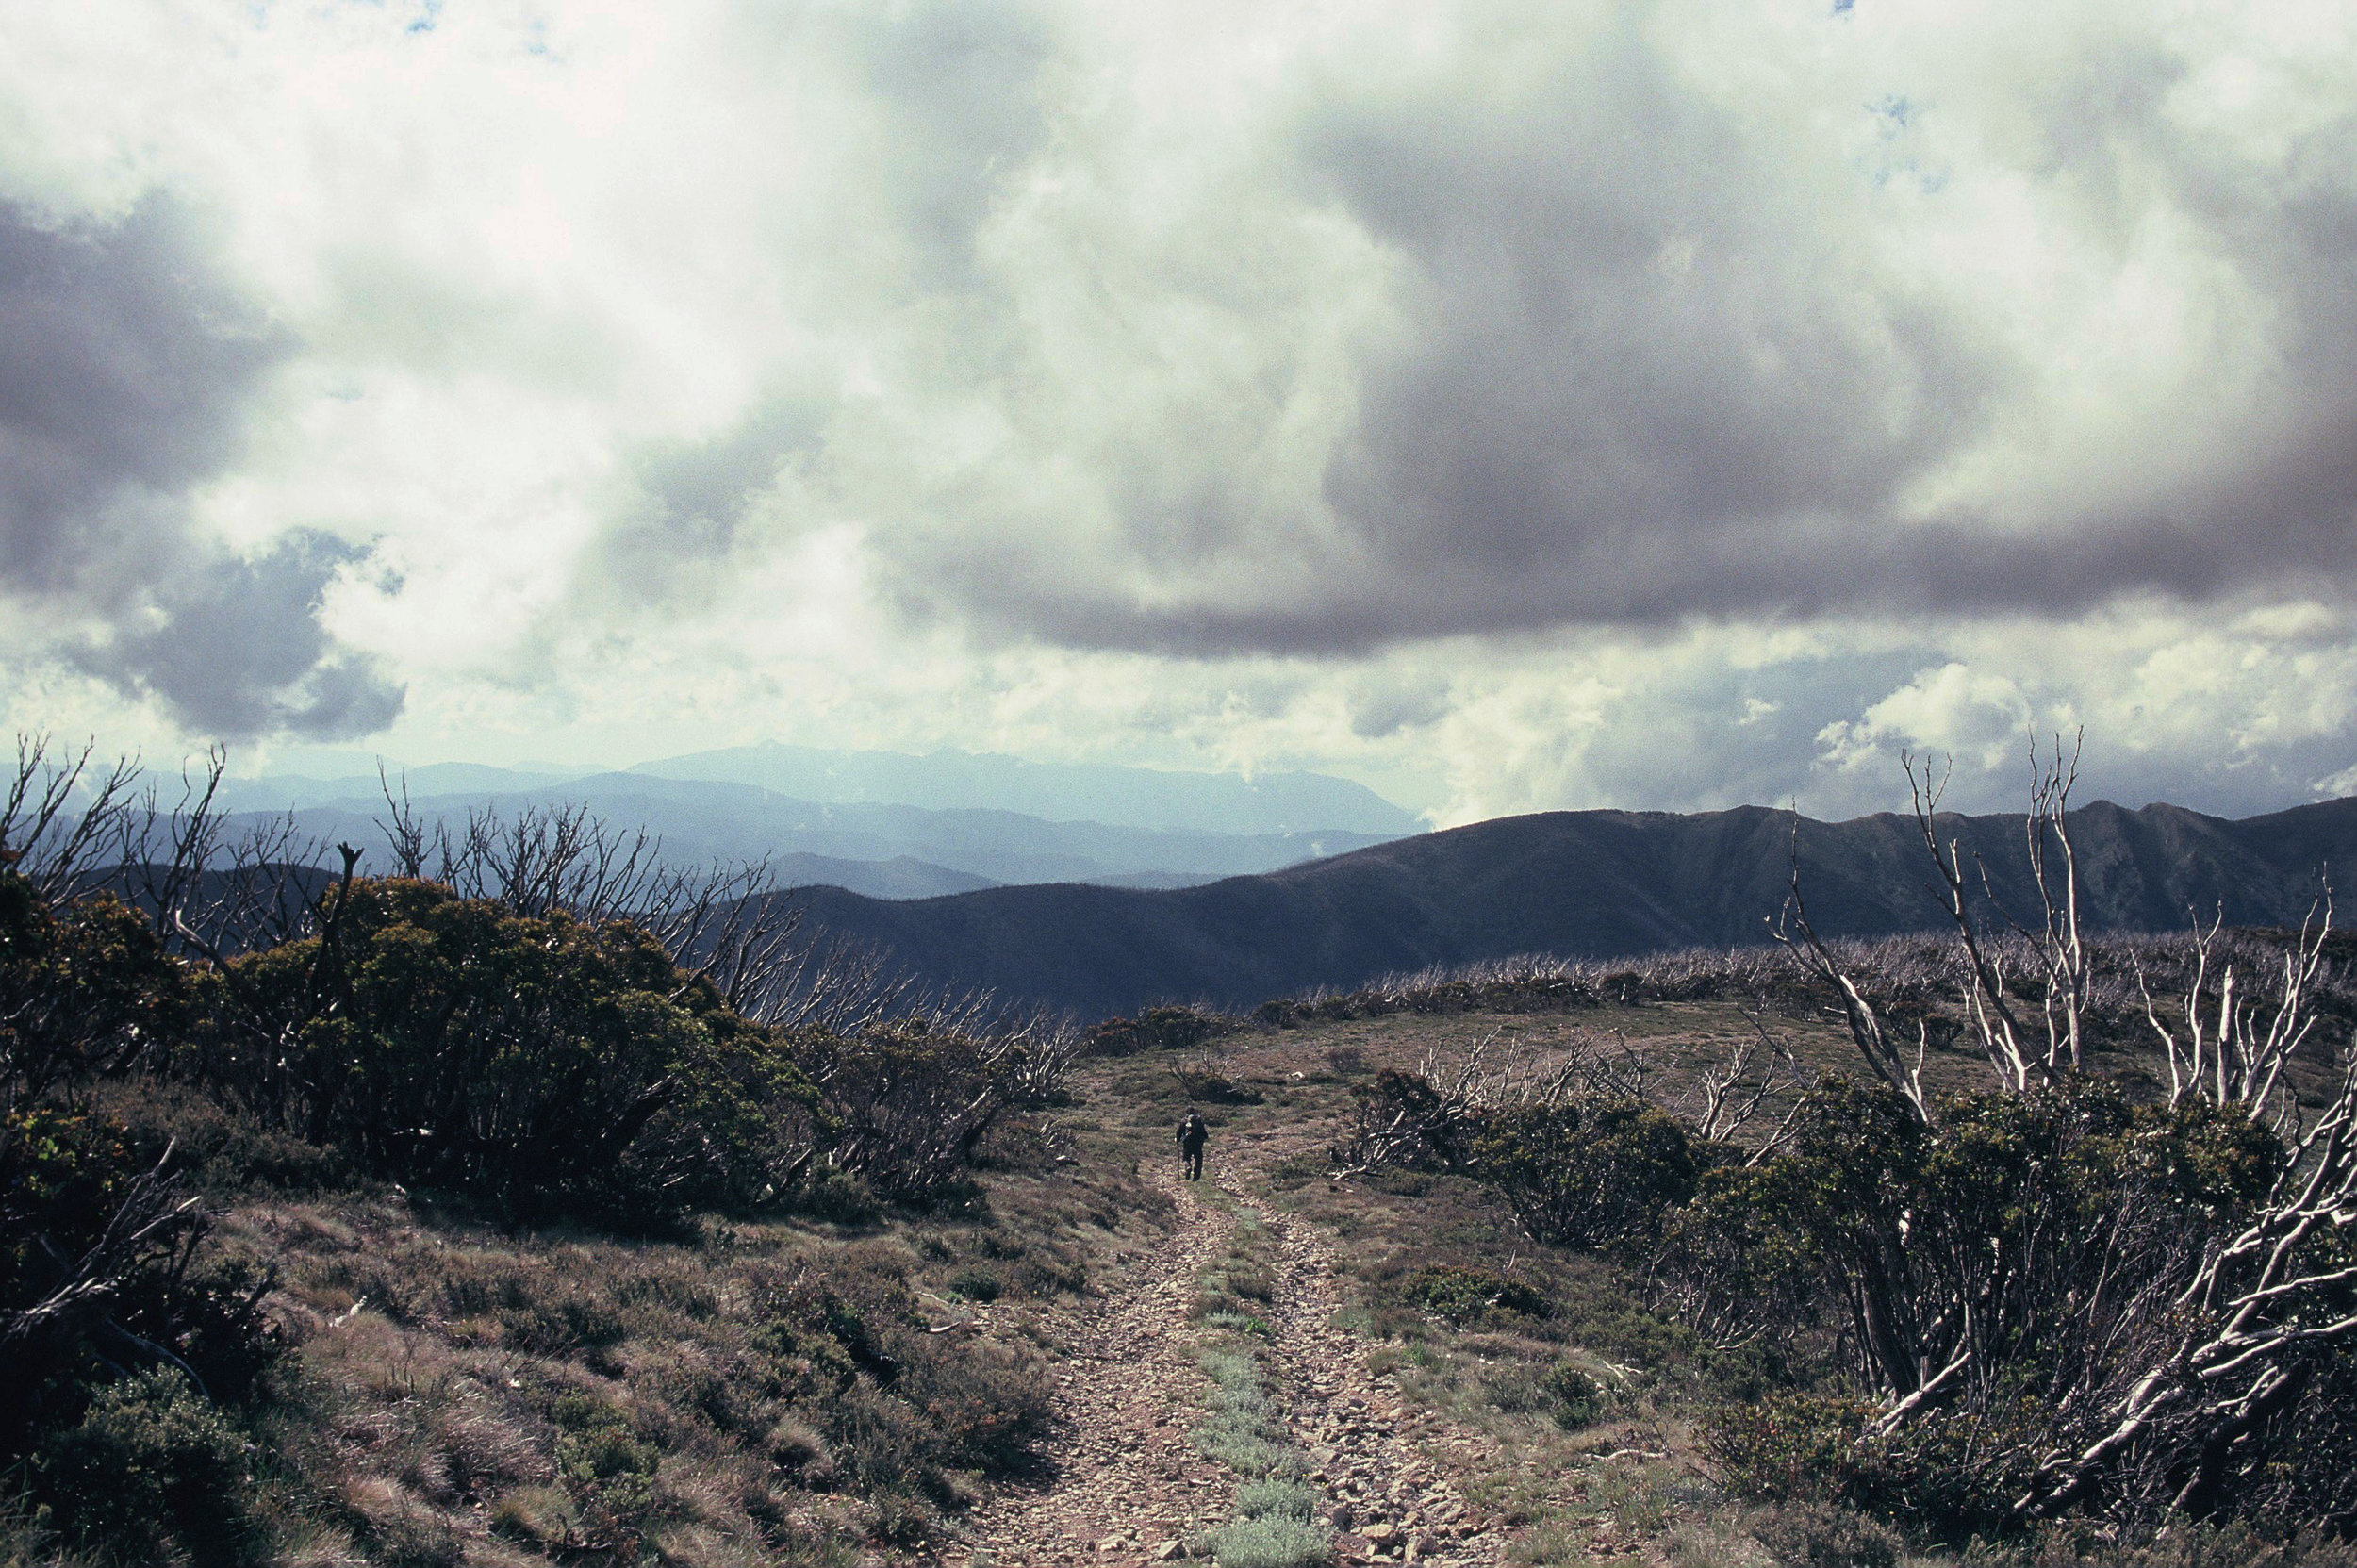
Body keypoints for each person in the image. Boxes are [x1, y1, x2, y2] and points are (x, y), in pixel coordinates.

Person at [1177, 1109, 1208, 1181]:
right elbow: (1204, 1133)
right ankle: (1196, 1177)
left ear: (1186, 1113)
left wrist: (1177, 1139)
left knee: (1186, 1158)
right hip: (1198, 1144)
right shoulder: (1199, 1121)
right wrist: (1205, 1137)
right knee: (1198, 1160)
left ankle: (1188, 1167)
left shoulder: (1184, 1121)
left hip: (1187, 1143)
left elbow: (1179, 1131)